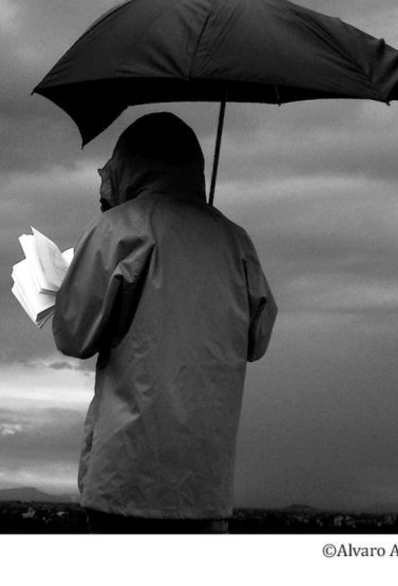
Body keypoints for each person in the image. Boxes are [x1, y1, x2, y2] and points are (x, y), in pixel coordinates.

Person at [52, 112, 278, 533]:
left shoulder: (121, 227)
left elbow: (72, 334)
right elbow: (256, 341)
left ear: (128, 164)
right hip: (205, 491)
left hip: (125, 482)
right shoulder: (236, 240)